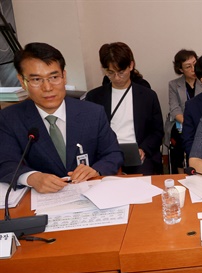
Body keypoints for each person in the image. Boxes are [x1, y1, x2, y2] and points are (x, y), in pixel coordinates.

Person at [0, 42, 122, 193]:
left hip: (89, 197)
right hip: (40, 204)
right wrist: (32, 177)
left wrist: (96, 170)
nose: (48, 87)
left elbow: (113, 153)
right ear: (23, 82)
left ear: (64, 77)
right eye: (36, 79)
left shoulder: (93, 113)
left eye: (54, 77)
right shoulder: (9, 118)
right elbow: (5, 163)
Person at [85, 42, 164, 175]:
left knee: (143, 183)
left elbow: (157, 131)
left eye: (121, 72)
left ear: (131, 66)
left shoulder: (147, 96)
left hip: (139, 152)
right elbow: (89, 131)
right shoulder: (95, 96)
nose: (116, 78)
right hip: (107, 154)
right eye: (110, 73)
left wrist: (143, 149)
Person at [166, 49, 202, 174]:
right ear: (181, 69)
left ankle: (199, 169)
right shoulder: (174, 84)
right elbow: (174, 108)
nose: (194, 69)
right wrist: (189, 123)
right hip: (181, 123)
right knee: (179, 137)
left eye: (195, 64)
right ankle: (180, 173)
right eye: (188, 66)